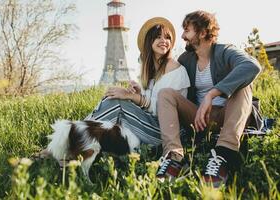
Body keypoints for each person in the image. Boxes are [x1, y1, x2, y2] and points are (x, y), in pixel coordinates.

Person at [35, 17, 190, 163]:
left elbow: (168, 111)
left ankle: (66, 141)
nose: (164, 41)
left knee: (118, 104)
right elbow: (150, 101)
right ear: (149, 41)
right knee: (111, 99)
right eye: (158, 37)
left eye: (167, 38)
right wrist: (138, 93)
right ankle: (74, 143)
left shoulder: (175, 69)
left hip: (165, 132)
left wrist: (135, 98)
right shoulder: (150, 71)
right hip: (148, 125)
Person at [155, 10, 261, 187]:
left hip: (231, 115)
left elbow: (252, 66)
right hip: (201, 119)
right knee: (165, 93)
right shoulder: (186, 59)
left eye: (187, 31)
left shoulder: (225, 51)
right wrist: (141, 88)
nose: (182, 36)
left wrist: (212, 94)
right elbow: (165, 74)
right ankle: (175, 157)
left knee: (243, 86)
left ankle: (223, 155)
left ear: (203, 32)